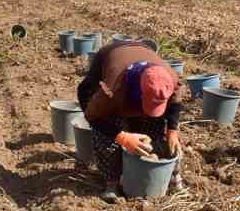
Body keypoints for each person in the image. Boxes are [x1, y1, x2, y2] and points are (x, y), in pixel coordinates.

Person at [78, 40, 183, 202]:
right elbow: (93, 117)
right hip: (111, 56)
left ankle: (162, 174)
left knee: (155, 127)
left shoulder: (170, 80)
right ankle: (111, 182)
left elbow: (175, 104)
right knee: (109, 134)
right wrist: (122, 137)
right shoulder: (113, 88)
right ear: (138, 93)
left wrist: (173, 130)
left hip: (142, 51)